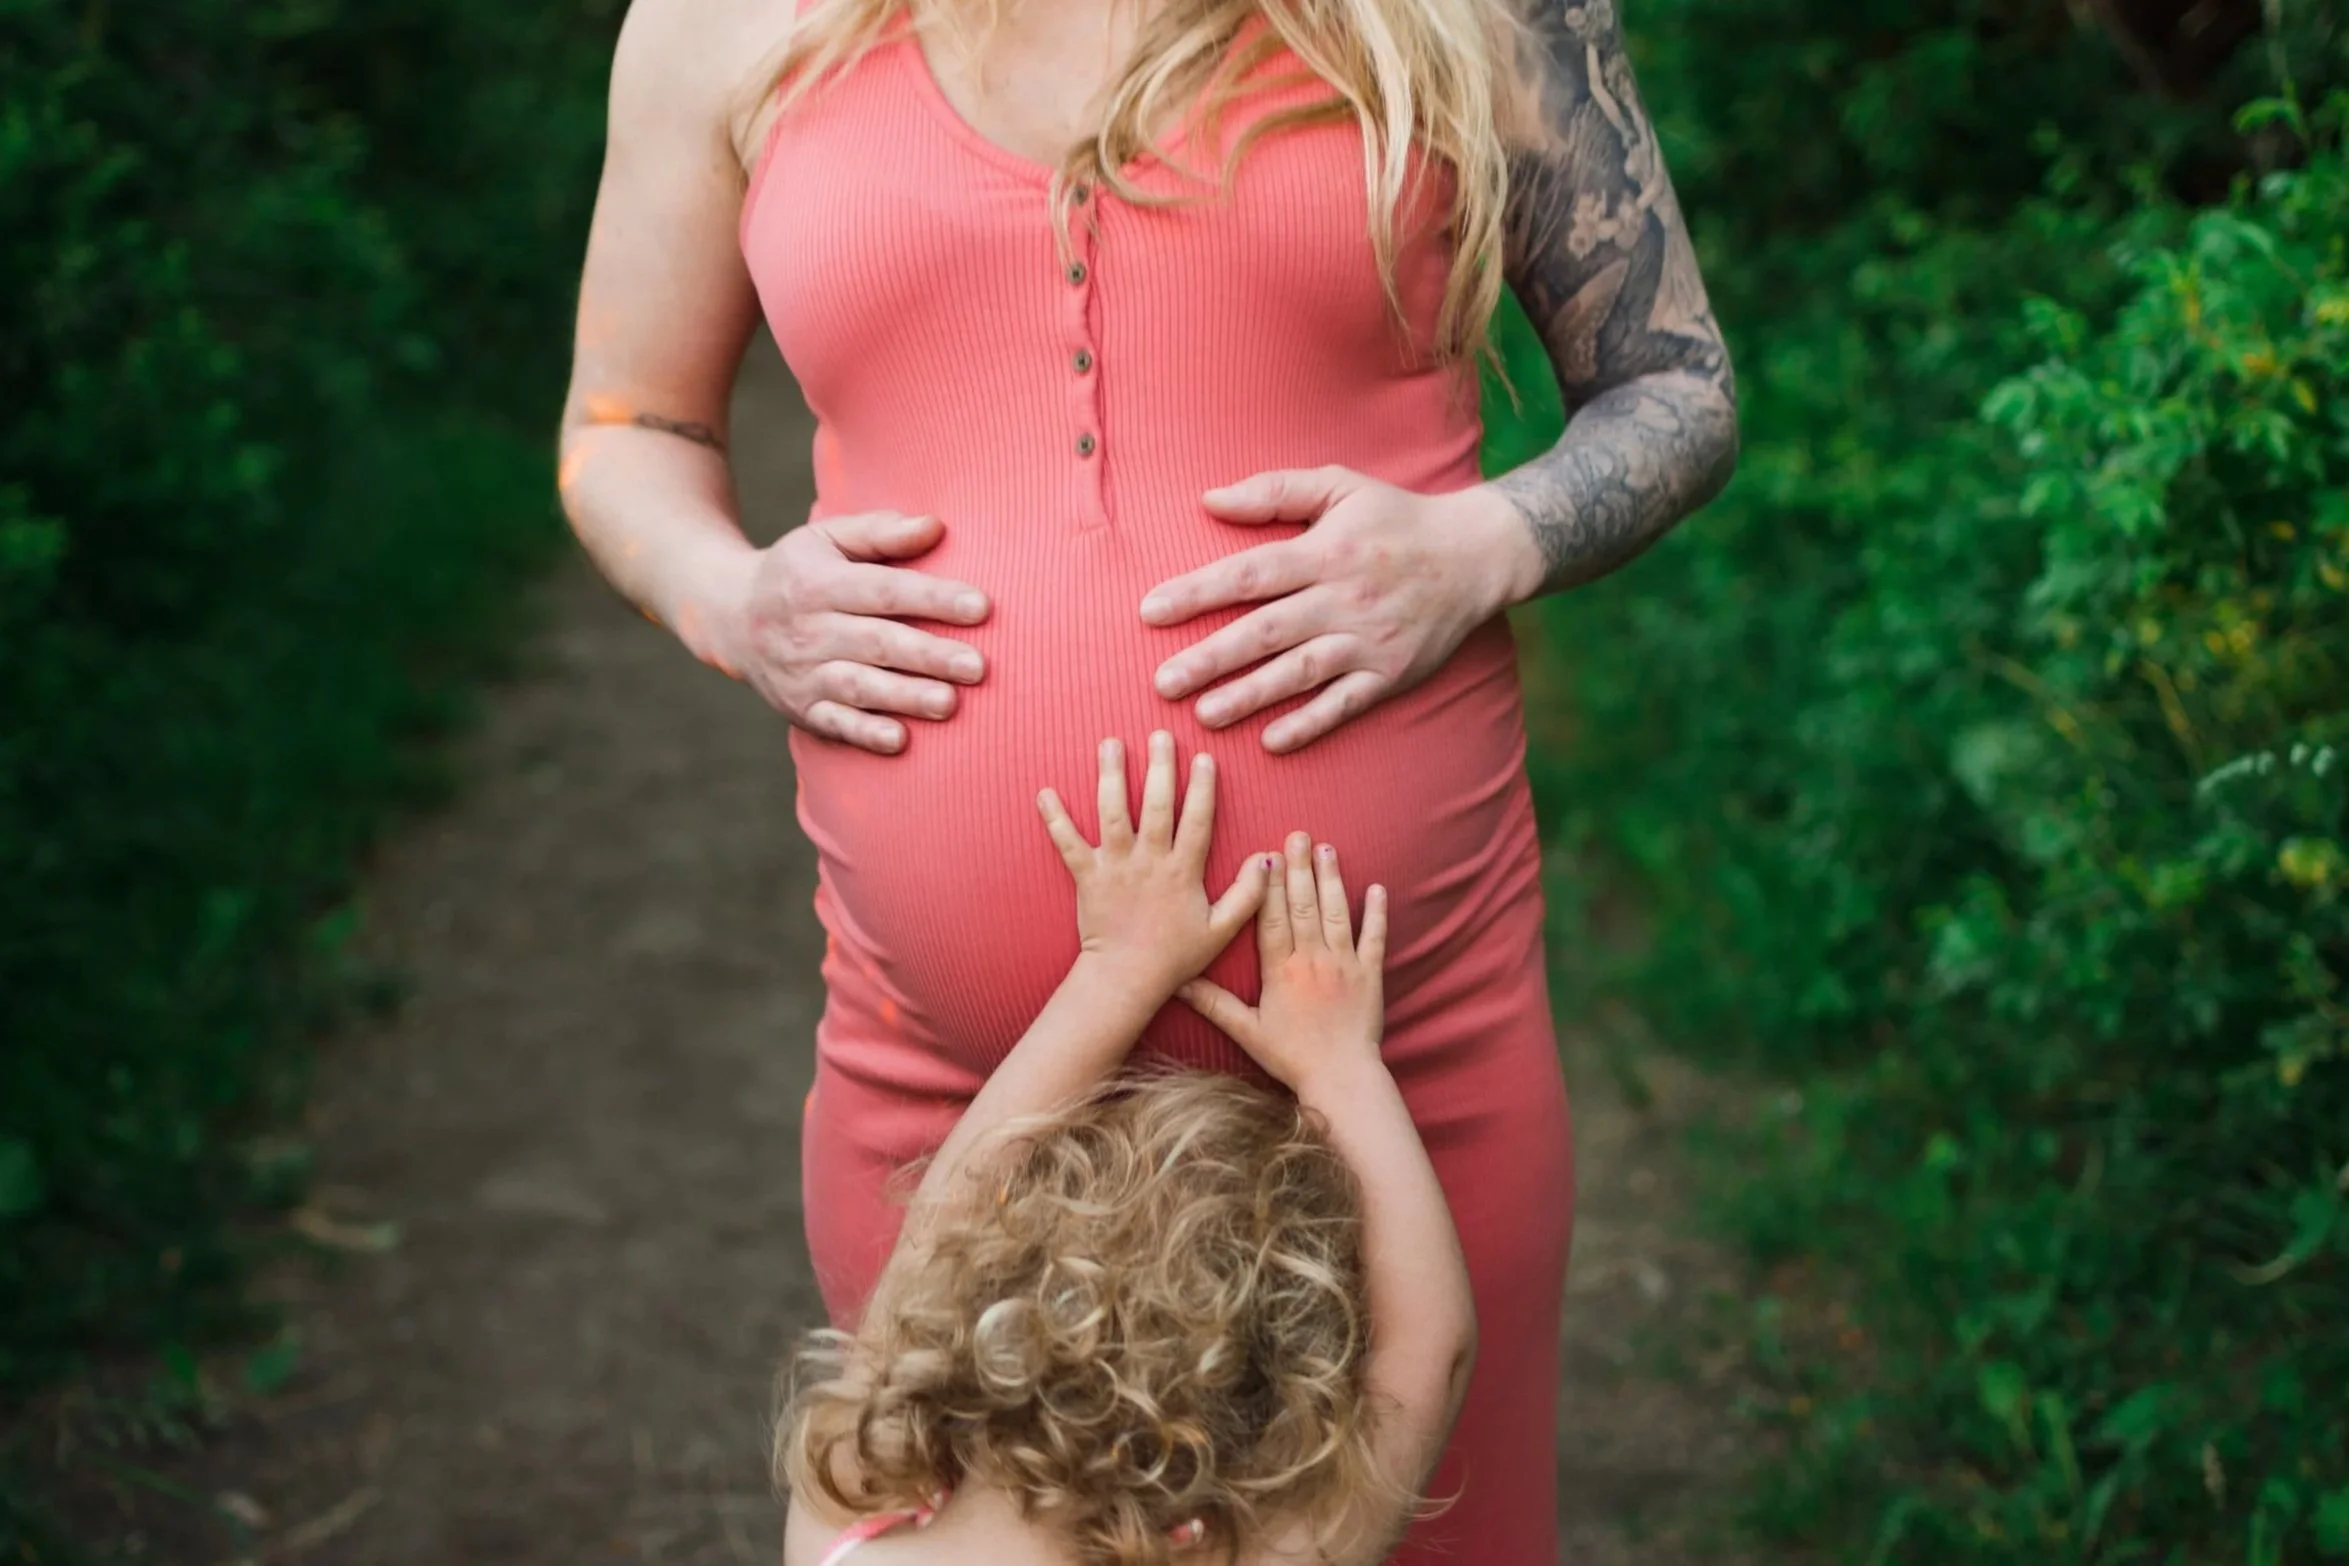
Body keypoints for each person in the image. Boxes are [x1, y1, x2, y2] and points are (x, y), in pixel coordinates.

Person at [559, 0, 1736, 1551]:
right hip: (956, 1107)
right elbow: (625, 427)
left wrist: (1481, 543)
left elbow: (1674, 385)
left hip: (1399, 1069)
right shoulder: (720, 25)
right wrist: (728, 596)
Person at [779, 733, 1476, 1566]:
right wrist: (1339, 1066)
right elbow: (1428, 1350)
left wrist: (1117, 970)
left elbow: (943, 1219)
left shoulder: (850, 1520)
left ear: (961, 1311)